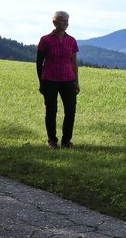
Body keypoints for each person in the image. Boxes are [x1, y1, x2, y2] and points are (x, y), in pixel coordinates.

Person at [36, 11, 80, 149]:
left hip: (68, 79)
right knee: (51, 111)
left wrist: (77, 82)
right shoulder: (45, 40)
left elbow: (74, 62)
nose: (65, 23)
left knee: (70, 111)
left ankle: (66, 141)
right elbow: (39, 63)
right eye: (62, 21)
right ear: (54, 22)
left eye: (67, 21)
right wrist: (41, 82)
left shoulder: (71, 40)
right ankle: (52, 141)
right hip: (50, 79)